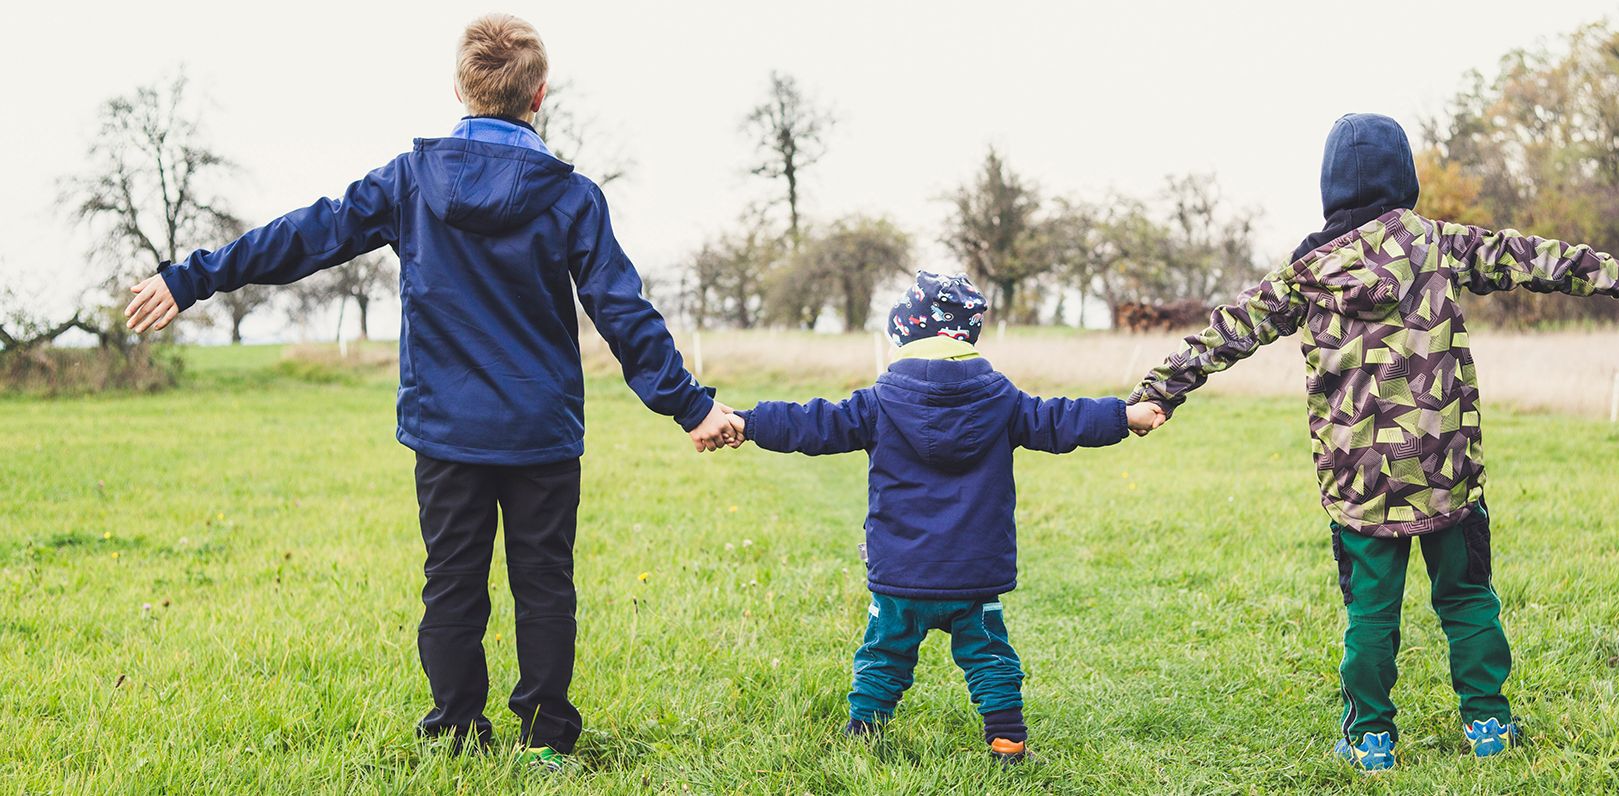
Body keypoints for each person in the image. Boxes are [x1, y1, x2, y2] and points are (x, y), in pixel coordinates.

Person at [119, 14, 739, 770]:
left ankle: (453, 730)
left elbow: (305, 235)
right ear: (539, 95)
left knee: (451, 585)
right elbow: (622, 311)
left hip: (447, 431)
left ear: (458, 87)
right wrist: (692, 406)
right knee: (544, 584)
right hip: (540, 431)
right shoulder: (572, 196)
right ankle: (545, 744)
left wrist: (192, 277)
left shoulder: (410, 182)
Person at [1127, 113, 1619, 771]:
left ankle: (1370, 739)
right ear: (1406, 177)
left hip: (1361, 484)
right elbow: (1533, 257)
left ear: (1331, 187)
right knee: (1467, 599)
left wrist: (1159, 392)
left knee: (1371, 615)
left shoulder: (1308, 272)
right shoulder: (1436, 244)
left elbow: (1229, 329)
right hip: (1445, 468)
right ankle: (1487, 725)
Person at [724, 271, 1163, 763]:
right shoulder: (1003, 400)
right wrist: (1124, 416)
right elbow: (1060, 419)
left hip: (900, 574)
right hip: (973, 574)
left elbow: (813, 423)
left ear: (905, 334)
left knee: (884, 654)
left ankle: (863, 733)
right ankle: (1006, 739)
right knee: (990, 657)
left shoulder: (878, 402)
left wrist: (748, 421)